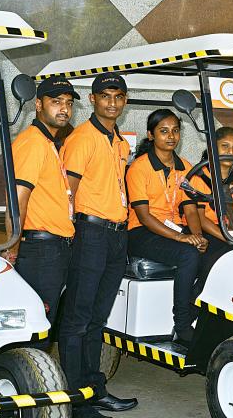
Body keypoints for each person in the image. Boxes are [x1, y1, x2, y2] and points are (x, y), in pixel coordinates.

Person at [58, 72, 137, 418]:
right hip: (89, 234)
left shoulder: (119, 141)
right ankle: (76, 399)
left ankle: (95, 390)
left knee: (96, 319)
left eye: (118, 97)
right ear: (92, 99)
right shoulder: (82, 138)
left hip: (117, 235)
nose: (112, 103)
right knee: (77, 317)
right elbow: (68, 192)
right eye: (105, 96)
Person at [126, 109, 207, 345]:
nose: (171, 136)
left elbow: (191, 209)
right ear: (151, 136)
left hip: (175, 229)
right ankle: (182, 325)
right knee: (188, 254)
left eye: (175, 130)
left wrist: (198, 236)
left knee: (216, 254)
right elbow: (144, 216)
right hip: (142, 232)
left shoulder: (186, 167)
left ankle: (194, 312)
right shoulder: (139, 168)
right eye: (163, 131)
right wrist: (182, 238)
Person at [6, 76, 78, 341]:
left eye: (69, 104)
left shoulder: (49, 143)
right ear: (38, 105)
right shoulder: (34, 142)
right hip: (40, 250)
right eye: (56, 102)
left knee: (44, 323)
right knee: (38, 328)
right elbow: (18, 198)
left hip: (54, 248)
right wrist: (12, 248)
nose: (64, 109)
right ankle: (32, 380)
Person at [190, 127, 233, 284]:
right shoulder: (200, 175)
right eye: (225, 146)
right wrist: (228, 238)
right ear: (212, 147)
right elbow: (201, 218)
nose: (230, 151)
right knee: (220, 256)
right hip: (209, 231)